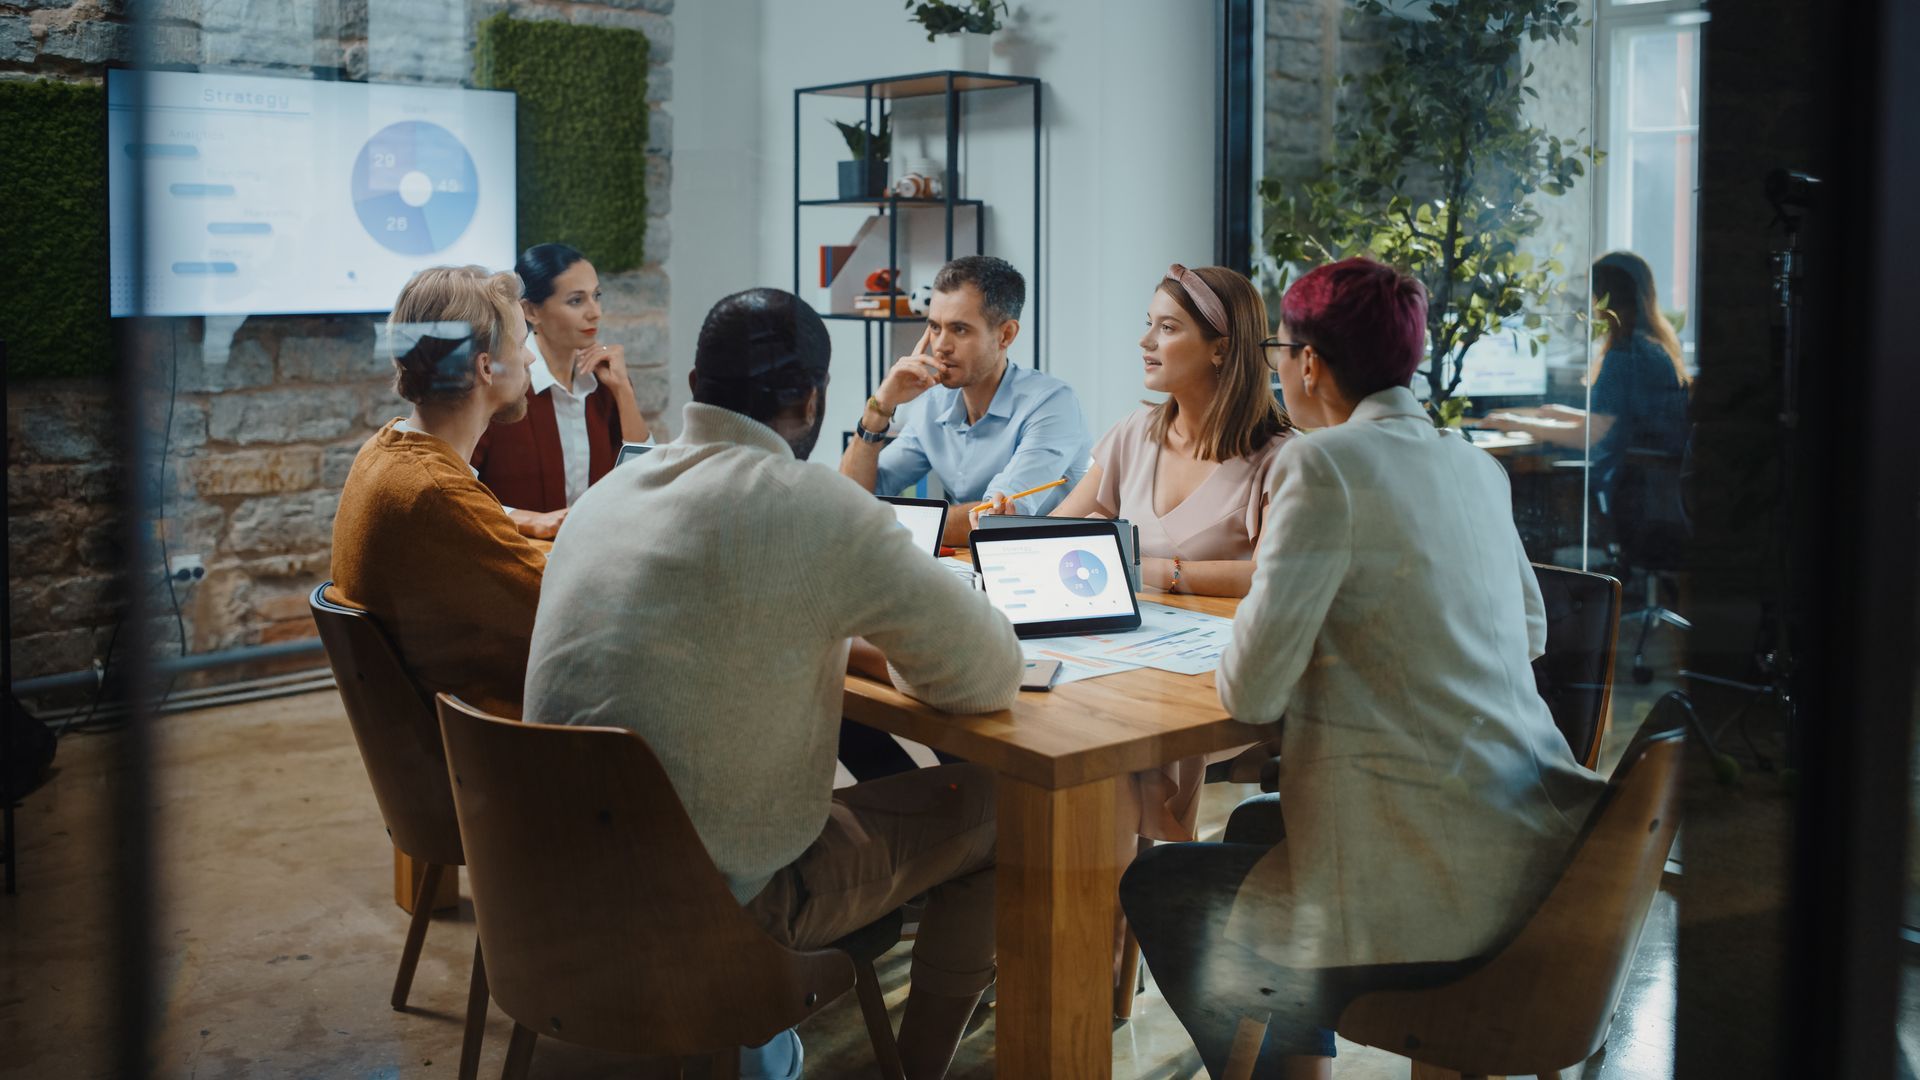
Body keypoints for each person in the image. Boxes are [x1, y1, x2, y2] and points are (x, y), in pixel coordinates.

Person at [1119, 258, 1607, 1079]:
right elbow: (1528, 631)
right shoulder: (1473, 464)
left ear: (1308, 362)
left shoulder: (1325, 465)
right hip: (1526, 826)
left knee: (1164, 887)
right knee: (1251, 829)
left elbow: (1251, 689)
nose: (1276, 365)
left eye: (1280, 348)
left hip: (1435, 871)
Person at [524, 287, 1023, 1080]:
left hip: (550, 892)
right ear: (812, 398)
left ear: (694, 381)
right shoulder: (813, 505)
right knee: (1002, 809)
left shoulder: (607, 495)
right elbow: (989, 674)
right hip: (722, 911)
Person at [976, 263, 1293, 600]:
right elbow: (1058, 532)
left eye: (1168, 328)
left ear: (1221, 349)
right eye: (1149, 324)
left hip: (1222, 645)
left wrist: (1145, 566)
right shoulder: (1133, 432)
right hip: (1131, 640)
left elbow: (1269, 575)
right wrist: (1013, 527)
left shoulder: (1282, 457)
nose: (1145, 341)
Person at [328, 265, 547, 719]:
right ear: (486, 368)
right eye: (522, 345)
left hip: (448, 740)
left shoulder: (384, 452)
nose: (529, 360)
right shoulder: (437, 494)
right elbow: (566, 606)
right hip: (511, 749)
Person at [839, 254, 1091, 547]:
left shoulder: (1052, 404)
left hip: (1047, 567)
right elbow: (852, 499)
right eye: (934, 327)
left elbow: (994, 519)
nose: (941, 346)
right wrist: (880, 406)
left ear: (1005, 334)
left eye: (959, 329)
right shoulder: (934, 404)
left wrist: (881, 521)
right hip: (968, 565)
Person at [1476, 250, 1691, 514]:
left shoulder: (1624, 355)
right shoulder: (1652, 347)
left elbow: (1590, 436)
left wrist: (1518, 423)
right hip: (1655, 493)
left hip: (1630, 496)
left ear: (1603, 299)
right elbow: (1619, 421)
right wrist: (1565, 414)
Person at [472, 243, 653, 539]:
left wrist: (623, 392)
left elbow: (645, 478)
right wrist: (527, 520)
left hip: (592, 557)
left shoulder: (605, 379)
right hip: (520, 563)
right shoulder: (499, 383)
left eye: (596, 296)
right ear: (530, 310)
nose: (594, 313)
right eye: (576, 301)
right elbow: (455, 490)